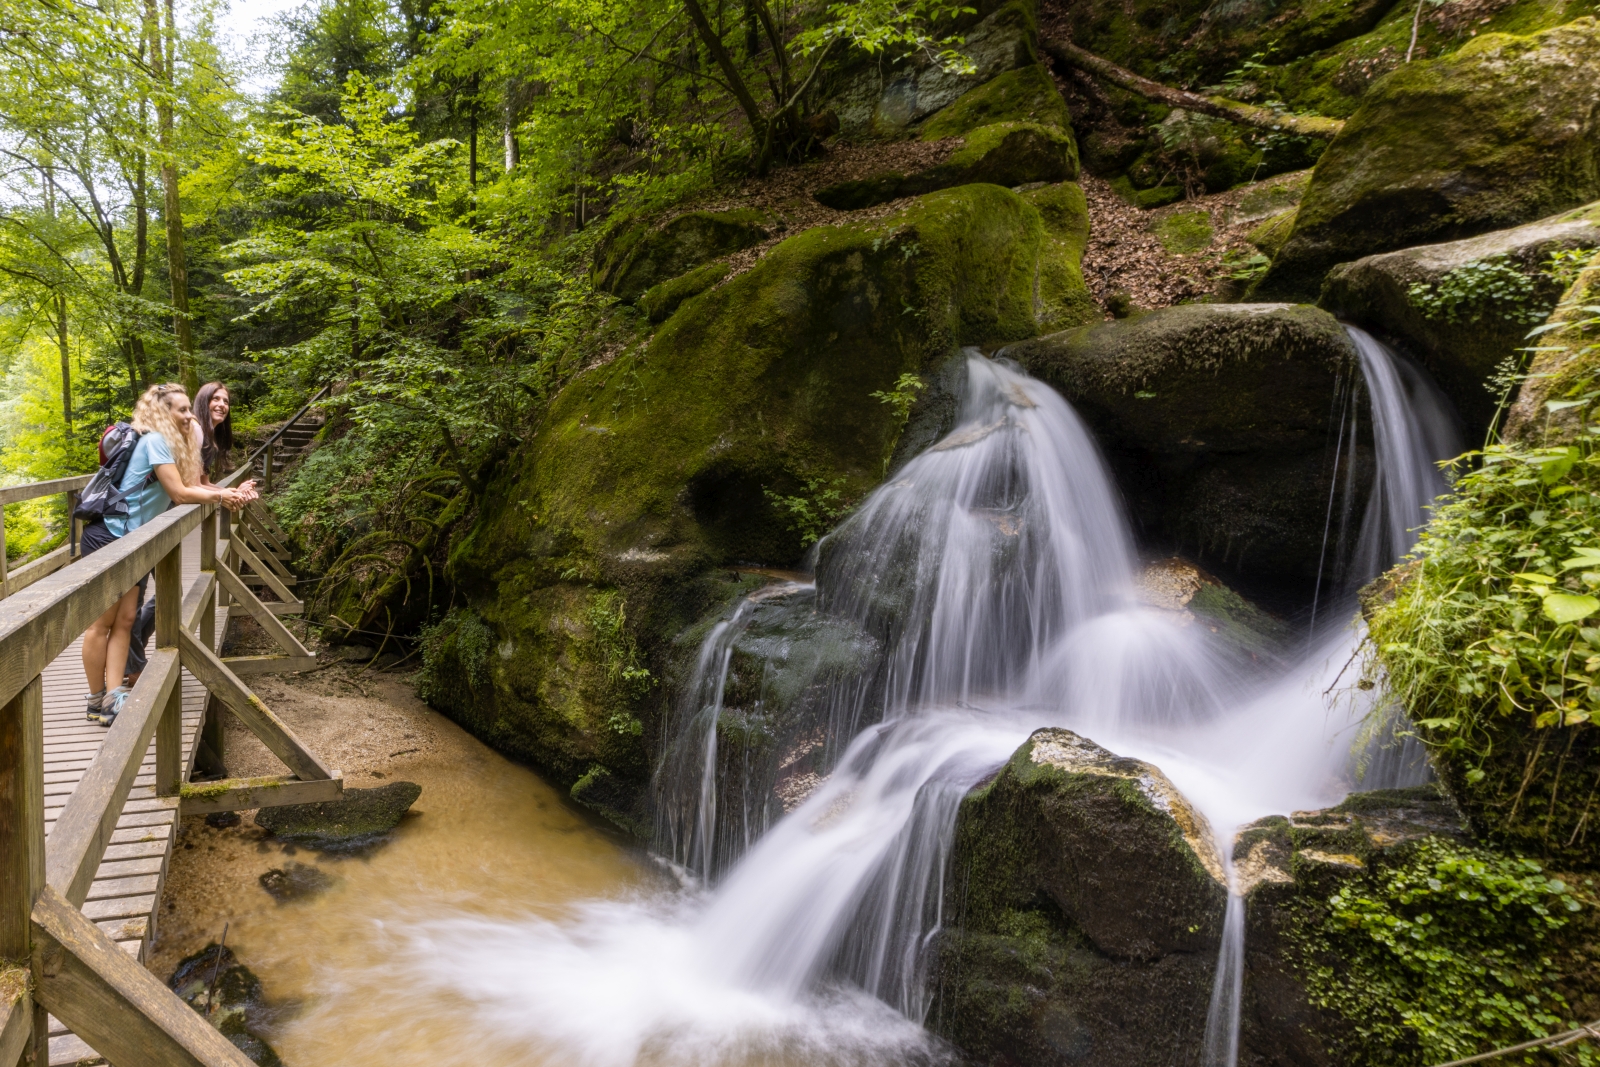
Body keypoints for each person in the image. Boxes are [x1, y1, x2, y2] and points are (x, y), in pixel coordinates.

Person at [82, 383, 251, 726]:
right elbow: (178, 493)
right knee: (102, 623)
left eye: (190, 409)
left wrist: (228, 491)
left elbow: (193, 484)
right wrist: (221, 498)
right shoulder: (156, 440)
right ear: (164, 412)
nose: (191, 416)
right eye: (183, 410)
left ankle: (114, 695)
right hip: (108, 536)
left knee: (126, 621)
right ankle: (96, 698)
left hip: (134, 541)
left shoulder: (172, 443)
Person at [120, 382, 259, 688]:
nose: (222, 404)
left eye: (226, 400)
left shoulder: (204, 435)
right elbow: (187, 486)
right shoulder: (193, 430)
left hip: (155, 523)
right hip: (143, 525)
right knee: (138, 603)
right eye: (215, 399)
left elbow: (200, 483)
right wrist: (224, 496)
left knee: (158, 596)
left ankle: (132, 660)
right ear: (202, 401)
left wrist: (229, 491)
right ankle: (130, 665)